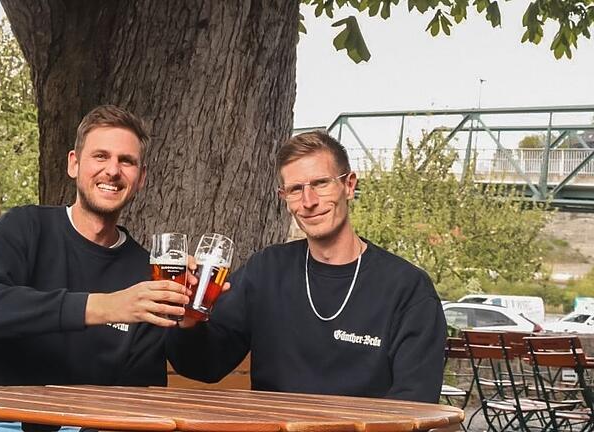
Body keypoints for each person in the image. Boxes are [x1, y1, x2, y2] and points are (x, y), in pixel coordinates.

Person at [0, 105, 191, 432]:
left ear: (141, 179)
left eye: (126, 161)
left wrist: (190, 321)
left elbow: (140, 391)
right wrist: (104, 306)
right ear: (74, 164)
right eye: (100, 156)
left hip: (81, 428)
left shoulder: (147, 273)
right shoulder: (23, 227)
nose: (112, 170)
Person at [167, 130, 446, 403]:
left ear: (349, 185)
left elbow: (415, 403)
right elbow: (205, 366)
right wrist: (190, 322)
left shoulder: (408, 289)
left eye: (321, 183)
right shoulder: (266, 270)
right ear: (283, 196)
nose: (309, 201)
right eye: (296, 189)